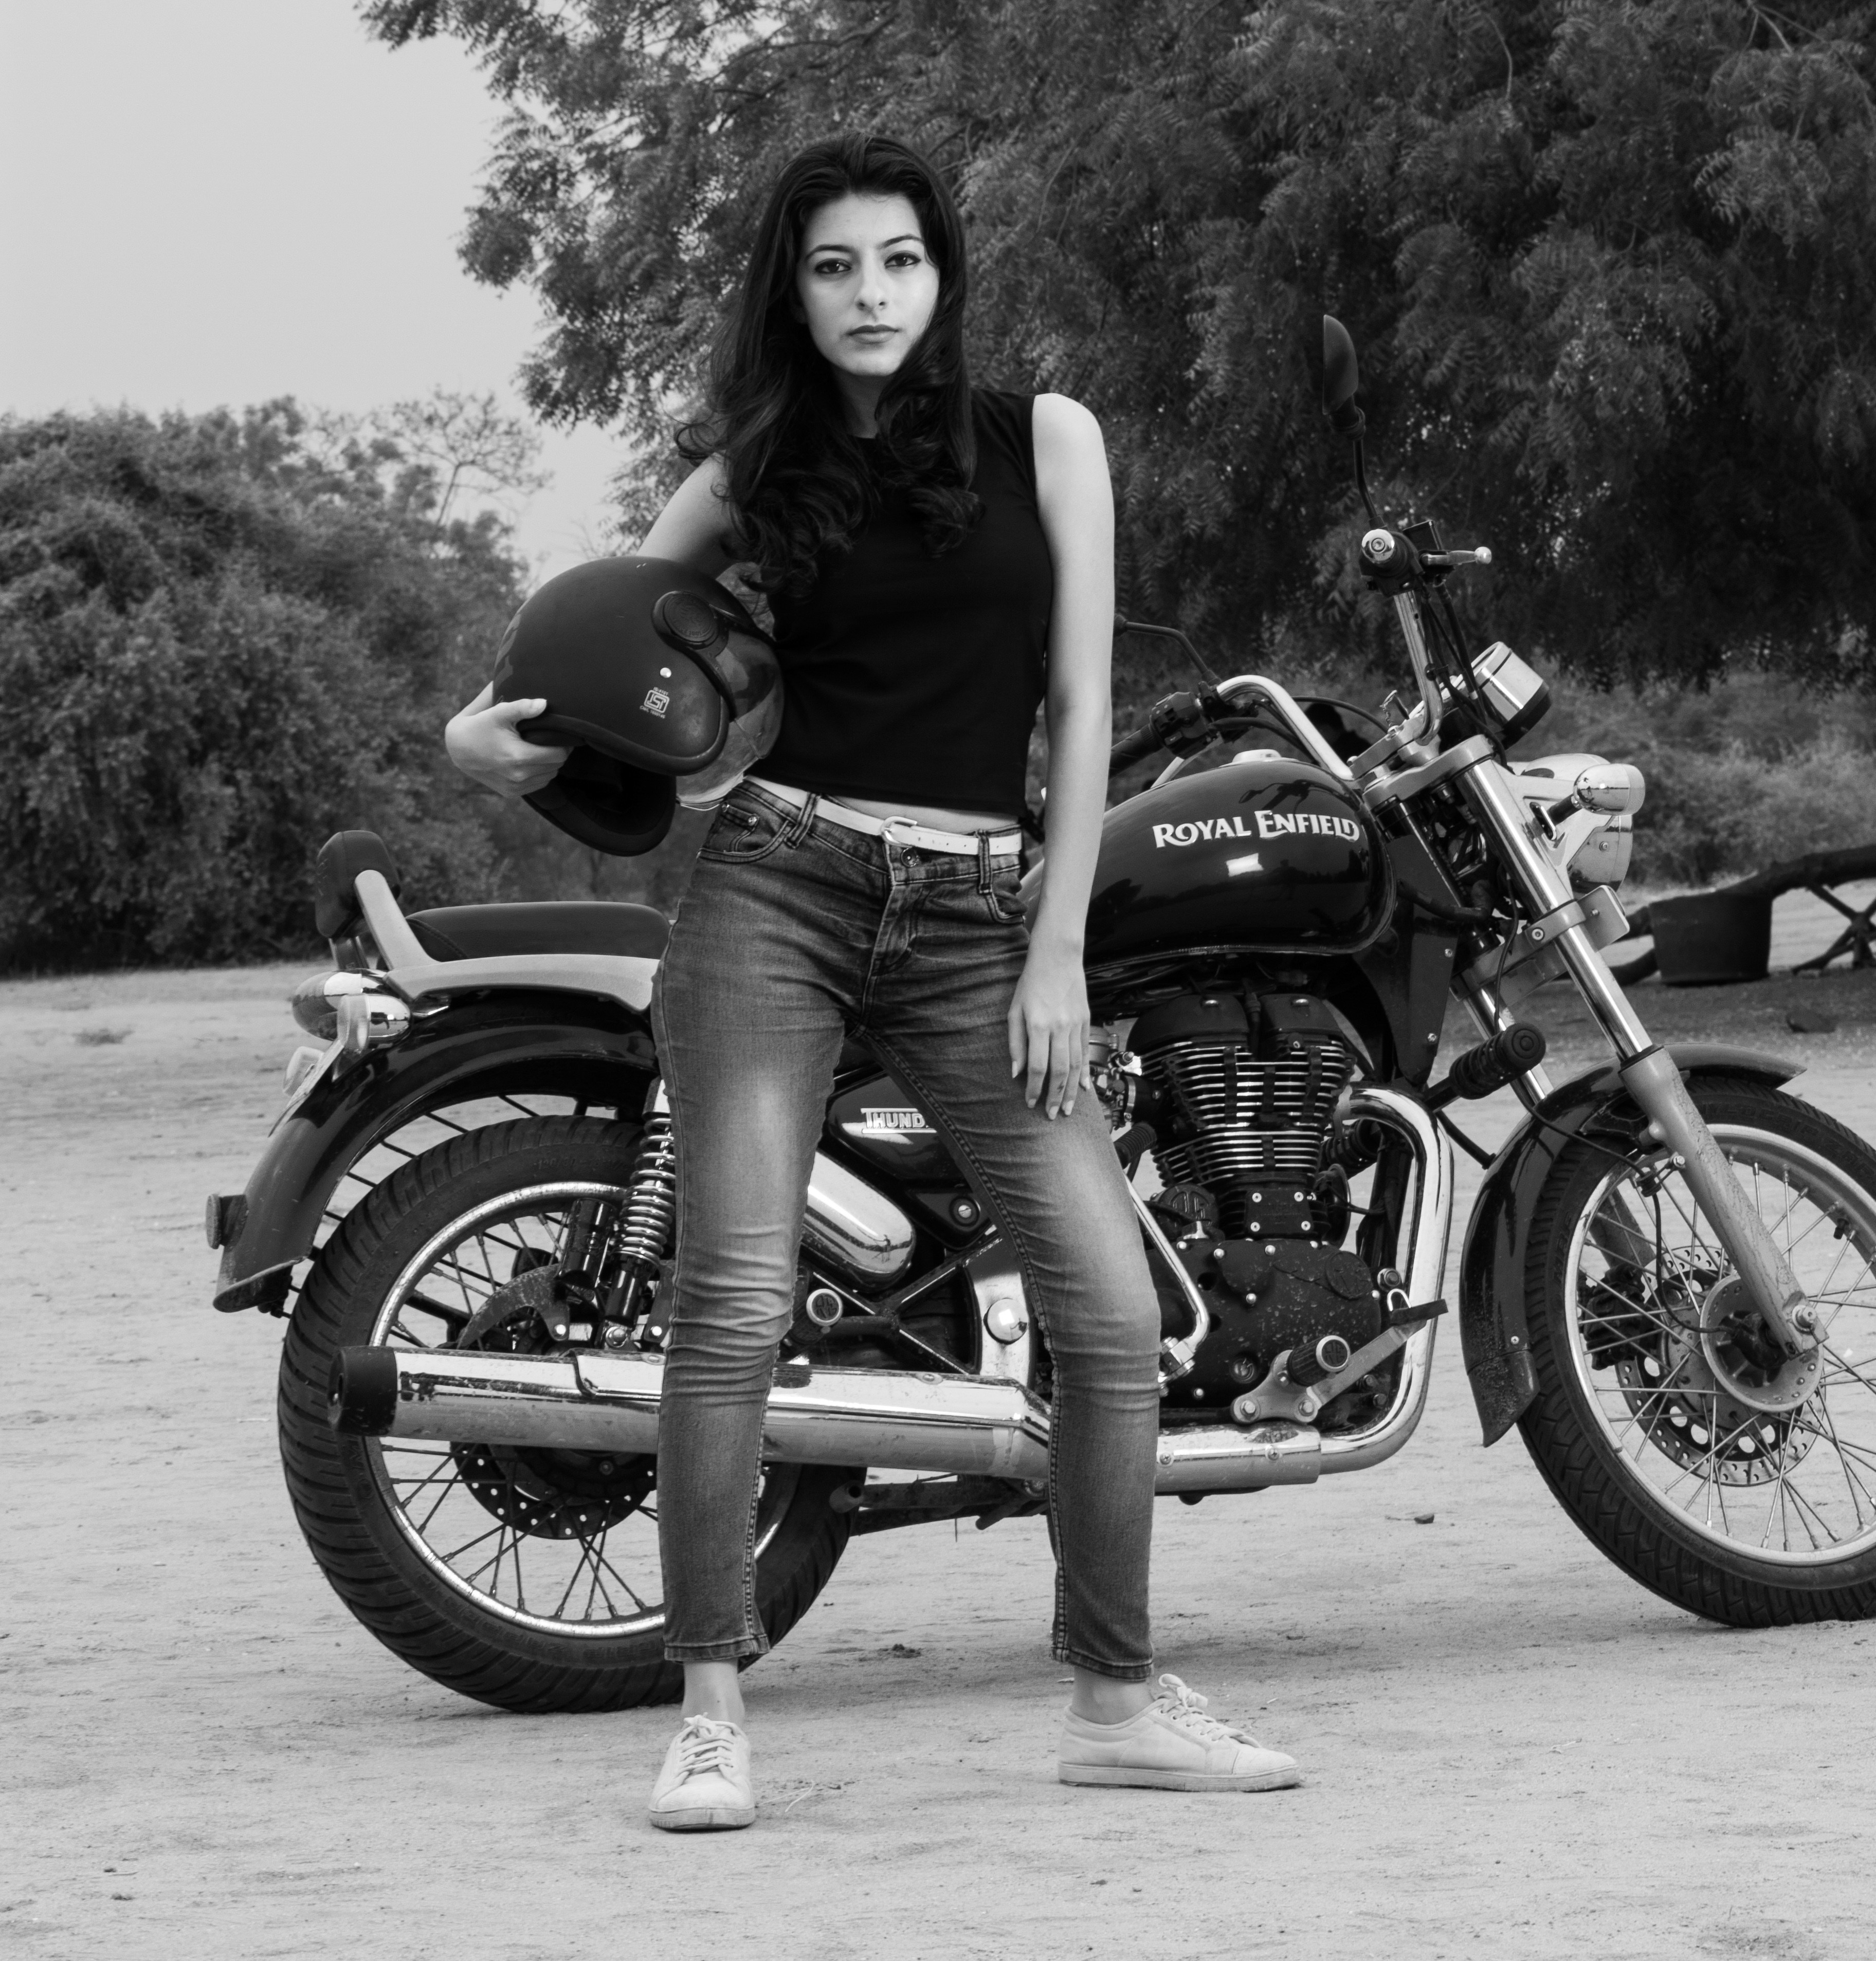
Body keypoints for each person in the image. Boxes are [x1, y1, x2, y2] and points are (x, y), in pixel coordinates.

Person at [447, 132, 1301, 1825]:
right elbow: (596, 644)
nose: (871, 295)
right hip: (779, 886)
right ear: (795, 284)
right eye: (836, 266)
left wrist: (1058, 948)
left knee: (1111, 1310)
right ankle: (709, 1712)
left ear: (942, 273)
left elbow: (1078, 711)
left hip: (988, 921)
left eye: (899, 261)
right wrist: (487, 745)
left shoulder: (1045, 440)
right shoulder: (750, 469)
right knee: (736, 1300)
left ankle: (1115, 1698)